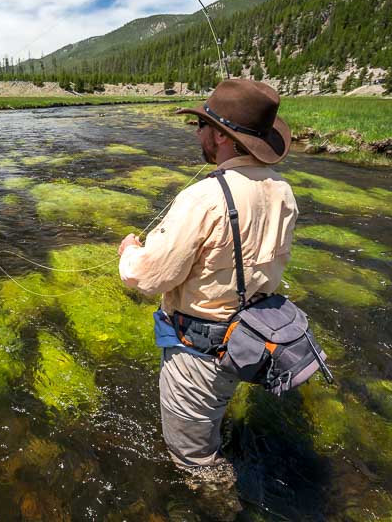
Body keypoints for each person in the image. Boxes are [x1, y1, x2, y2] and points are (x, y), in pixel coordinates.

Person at [117, 79, 298, 485]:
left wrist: (128, 250)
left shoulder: (204, 198)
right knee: (215, 416)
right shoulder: (283, 191)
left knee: (195, 462)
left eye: (201, 125)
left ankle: (218, 500)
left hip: (200, 353)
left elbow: (147, 276)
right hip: (250, 339)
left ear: (220, 136)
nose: (197, 133)